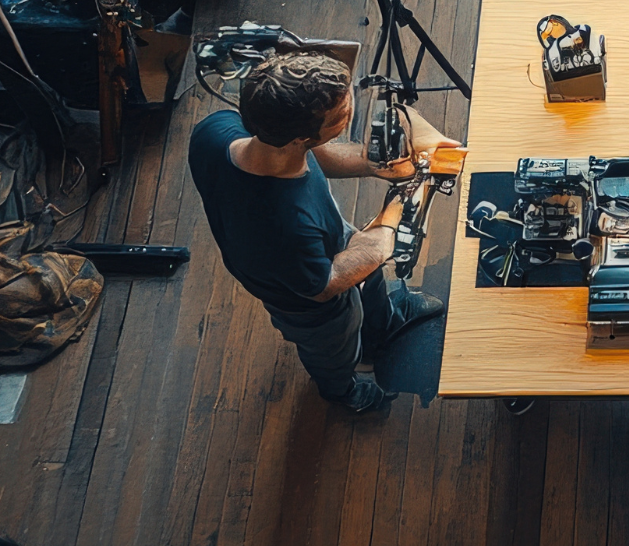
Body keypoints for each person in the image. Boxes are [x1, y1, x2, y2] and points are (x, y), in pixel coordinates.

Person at [188, 53, 466, 414]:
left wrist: (371, 165)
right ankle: (342, 391)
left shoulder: (219, 129)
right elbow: (326, 285)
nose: (350, 114)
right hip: (308, 298)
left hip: (314, 240)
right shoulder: (283, 224)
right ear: (300, 136)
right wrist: (399, 201)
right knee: (334, 346)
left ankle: (383, 324)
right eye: (340, 116)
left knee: (370, 279)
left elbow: (311, 154)